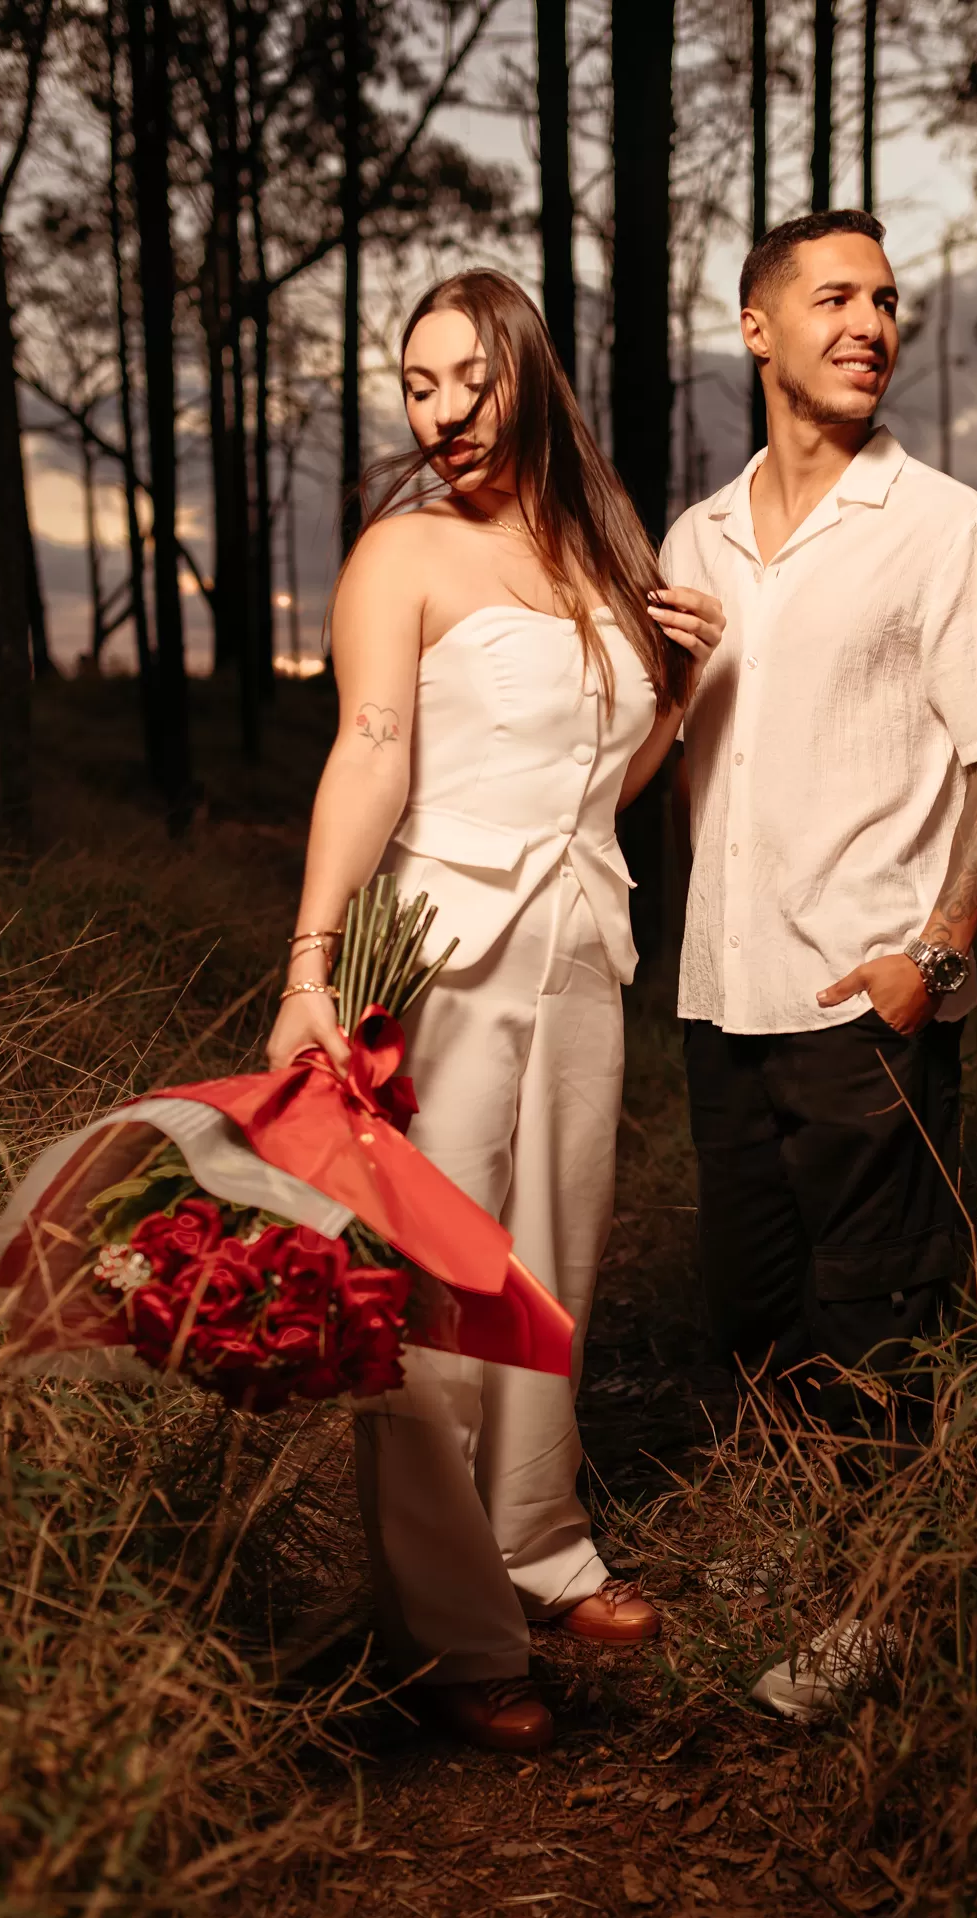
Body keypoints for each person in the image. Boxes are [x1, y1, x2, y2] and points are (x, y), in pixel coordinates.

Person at [266, 270, 723, 1753]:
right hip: (441, 952)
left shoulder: (601, 557)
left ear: (530, 373)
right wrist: (311, 965)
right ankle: (453, 1628)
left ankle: (540, 1546)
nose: (444, 411)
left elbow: (605, 786)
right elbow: (370, 751)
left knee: (551, 1263)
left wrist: (677, 691)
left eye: (471, 377)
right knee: (432, 1291)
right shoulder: (403, 551)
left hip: (582, 944)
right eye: (418, 384)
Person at [660, 210, 977, 1721]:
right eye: (834, 298)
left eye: (887, 301)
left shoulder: (949, 529)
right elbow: (668, 759)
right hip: (722, 993)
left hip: (868, 1000)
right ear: (756, 328)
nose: (871, 324)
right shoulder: (694, 540)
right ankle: (796, 1561)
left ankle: (878, 1613)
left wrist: (934, 959)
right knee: (752, 1305)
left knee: (880, 1316)